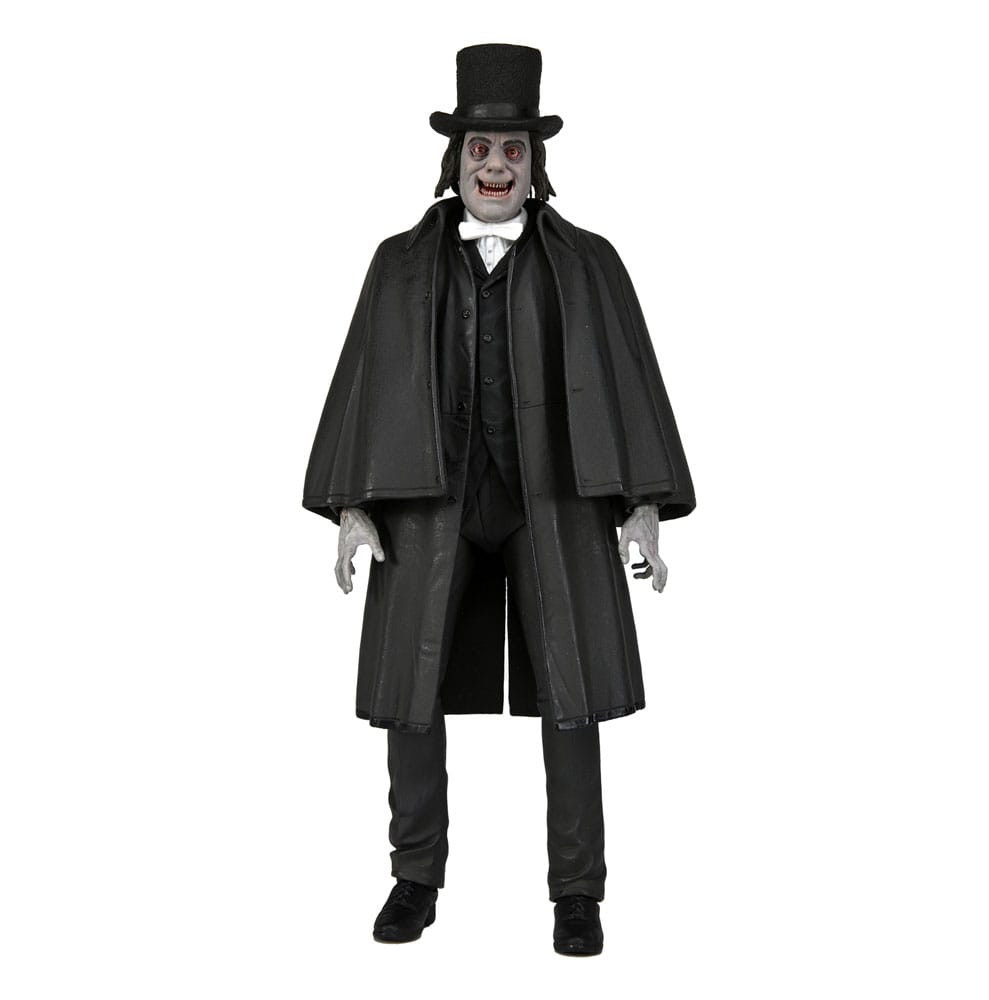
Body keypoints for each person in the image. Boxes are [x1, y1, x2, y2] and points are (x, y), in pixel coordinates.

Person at [302, 43, 696, 955]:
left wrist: (642, 501)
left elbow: (627, 380)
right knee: (411, 691)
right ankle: (414, 876)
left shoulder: (588, 263)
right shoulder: (399, 265)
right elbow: (364, 384)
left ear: (534, 163)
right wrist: (353, 505)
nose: (494, 166)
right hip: (428, 502)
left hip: (551, 501)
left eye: (512, 150)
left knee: (571, 691)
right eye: (480, 148)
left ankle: (577, 891)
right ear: (456, 159)